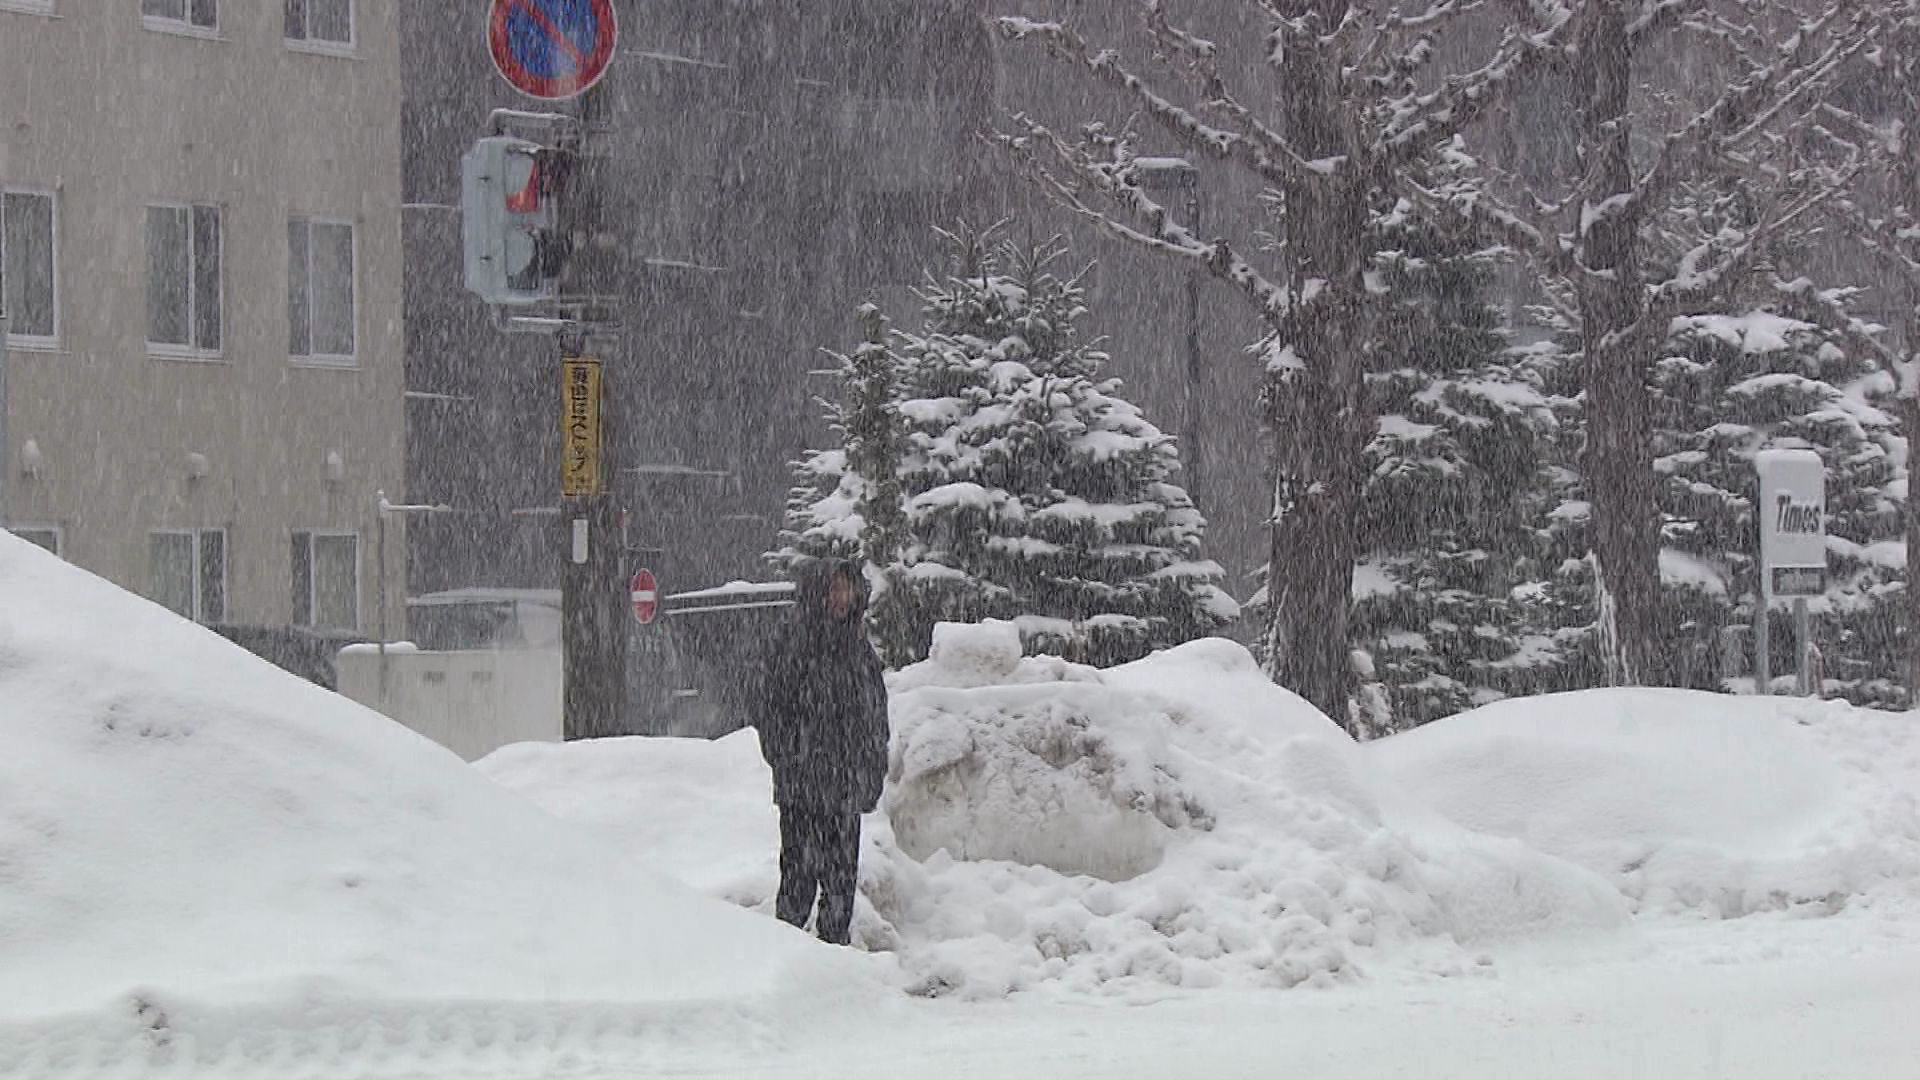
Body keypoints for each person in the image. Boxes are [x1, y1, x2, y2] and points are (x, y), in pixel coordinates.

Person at [753, 557, 890, 945]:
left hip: (844, 792)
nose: (840, 597)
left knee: (840, 889)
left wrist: (871, 773)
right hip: (802, 794)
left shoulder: (858, 650)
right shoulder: (791, 644)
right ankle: (787, 965)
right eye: (833, 588)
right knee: (796, 886)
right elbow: (770, 710)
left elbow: (873, 718)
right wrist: (790, 761)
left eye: (846, 588)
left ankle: (835, 967)